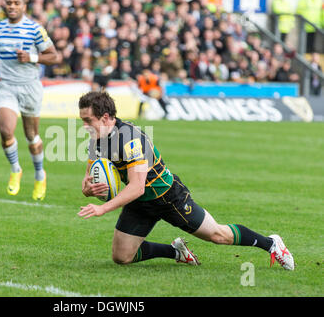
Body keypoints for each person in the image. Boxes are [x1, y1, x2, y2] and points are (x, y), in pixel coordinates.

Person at [78, 91, 294, 270]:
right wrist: (89, 189)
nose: (85, 126)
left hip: (169, 197)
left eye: (89, 121)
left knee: (218, 236)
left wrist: (103, 208)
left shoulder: (131, 139)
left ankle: (271, 243)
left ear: (105, 117)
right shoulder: (96, 141)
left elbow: (136, 186)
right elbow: (89, 178)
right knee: (121, 256)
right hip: (141, 202)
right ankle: (176, 251)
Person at [0, 0, 61, 200]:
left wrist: (32, 58)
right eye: (9, 2)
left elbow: (55, 56)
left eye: (16, 3)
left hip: (29, 87)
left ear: (23, 6)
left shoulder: (34, 29)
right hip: (6, 85)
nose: (12, 6)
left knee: (31, 137)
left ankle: (39, 174)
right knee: (5, 131)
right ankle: (16, 169)